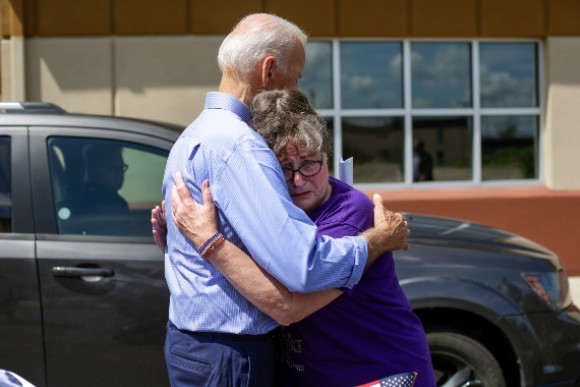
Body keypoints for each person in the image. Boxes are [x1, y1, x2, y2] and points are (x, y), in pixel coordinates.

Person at [157, 13, 410, 387]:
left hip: (196, 345)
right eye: (298, 75)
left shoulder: (194, 134)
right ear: (269, 70)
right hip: (229, 352)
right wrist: (375, 241)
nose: (298, 89)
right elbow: (303, 267)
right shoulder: (239, 146)